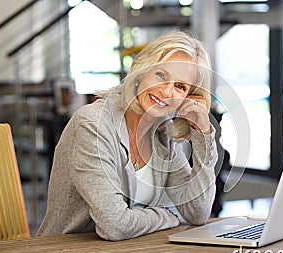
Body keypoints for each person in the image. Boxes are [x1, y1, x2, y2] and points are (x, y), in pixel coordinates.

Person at [37, 31, 218, 241]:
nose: (167, 92)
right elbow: (115, 225)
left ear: (188, 97)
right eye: (161, 75)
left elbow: (197, 212)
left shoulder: (161, 135)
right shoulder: (91, 126)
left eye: (180, 86)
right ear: (141, 71)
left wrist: (202, 134)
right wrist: (166, 217)